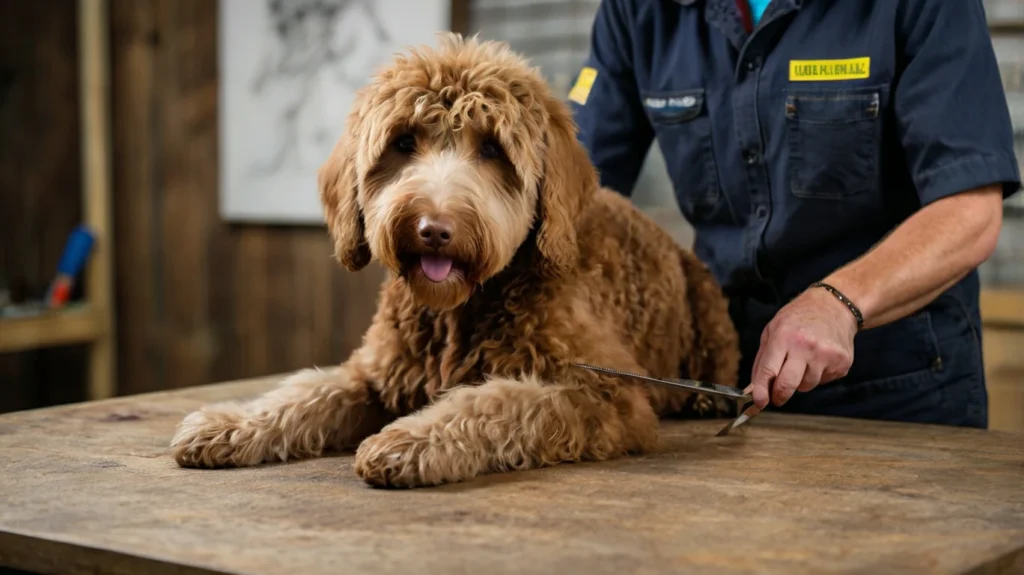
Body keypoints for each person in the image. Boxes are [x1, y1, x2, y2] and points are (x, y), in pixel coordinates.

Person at [567, 0, 1021, 428]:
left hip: (899, 389)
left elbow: (968, 212)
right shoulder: (639, 10)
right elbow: (570, 192)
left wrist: (838, 303)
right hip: (730, 384)